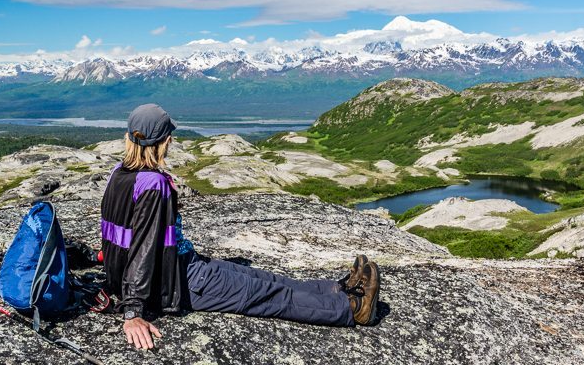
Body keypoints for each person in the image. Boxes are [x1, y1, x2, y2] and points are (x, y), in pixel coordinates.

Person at [100, 103, 381, 350]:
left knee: (265, 279)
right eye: (169, 137)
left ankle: (338, 289)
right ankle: (354, 308)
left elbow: (119, 236)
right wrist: (133, 311)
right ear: (164, 141)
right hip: (179, 281)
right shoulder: (153, 184)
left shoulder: (118, 173)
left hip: (182, 265)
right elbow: (143, 248)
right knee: (270, 296)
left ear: (130, 138)